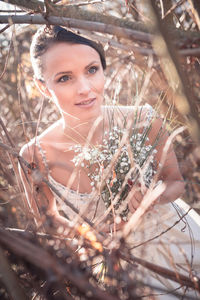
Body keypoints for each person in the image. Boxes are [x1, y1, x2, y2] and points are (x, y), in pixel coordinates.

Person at [19, 25, 200, 299]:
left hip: (178, 242)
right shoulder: (34, 155)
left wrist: (153, 196)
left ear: (103, 70)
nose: (85, 89)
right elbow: (47, 220)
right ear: (43, 88)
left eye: (92, 70)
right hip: (116, 266)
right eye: (65, 78)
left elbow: (175, 183)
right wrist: (88, 233)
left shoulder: (143, 119)